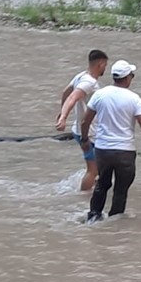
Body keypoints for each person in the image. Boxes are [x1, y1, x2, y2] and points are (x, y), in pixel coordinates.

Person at [80, 60, 141, 224]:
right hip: (125, 151)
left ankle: (93, 216)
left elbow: (85, 121)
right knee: (120, 190)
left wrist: (84, 139)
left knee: (101, 185)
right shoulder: (134, 99)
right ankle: (114, 222)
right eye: (132, 75)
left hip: (103, 150)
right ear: (127, 78)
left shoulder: (100, 95)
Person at [55, 49, 109, 191]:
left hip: (80, 130)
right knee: (93, 170)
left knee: (99, 168)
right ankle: (84, 197)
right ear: (100, 64)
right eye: (105, 65)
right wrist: (63, 117)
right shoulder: (89, 82)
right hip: (89, 134)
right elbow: (72, 97)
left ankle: (95, 191)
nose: (106, 69)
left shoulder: (80, 76)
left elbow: (65, 92)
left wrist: (62, 111)